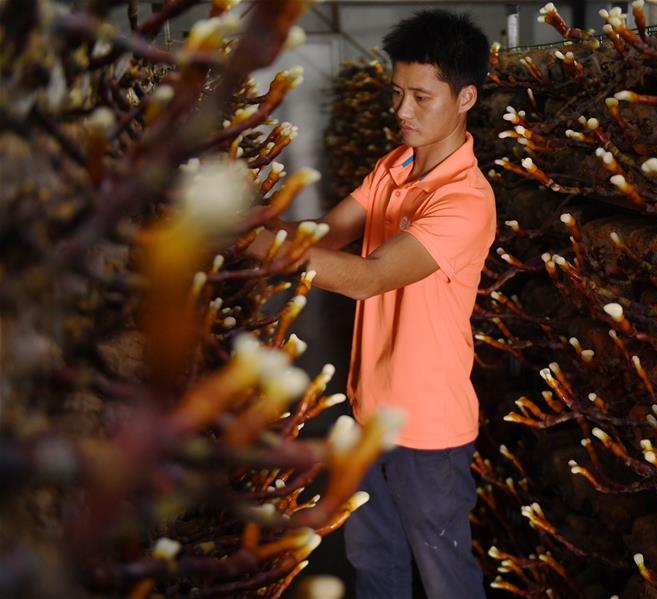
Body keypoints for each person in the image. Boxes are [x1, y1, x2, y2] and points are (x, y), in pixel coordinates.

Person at [252, 9, 494, 598]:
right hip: (369, 410)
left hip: (429, 429)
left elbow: (368, 278)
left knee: (444, 575)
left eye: (419, 97)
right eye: (396, 94)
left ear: (465, 97)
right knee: (372, 560)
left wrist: (260, 247)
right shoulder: (393, 166)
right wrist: (260, 231)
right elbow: (329, 234)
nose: (402, 112)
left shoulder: (465, 200)